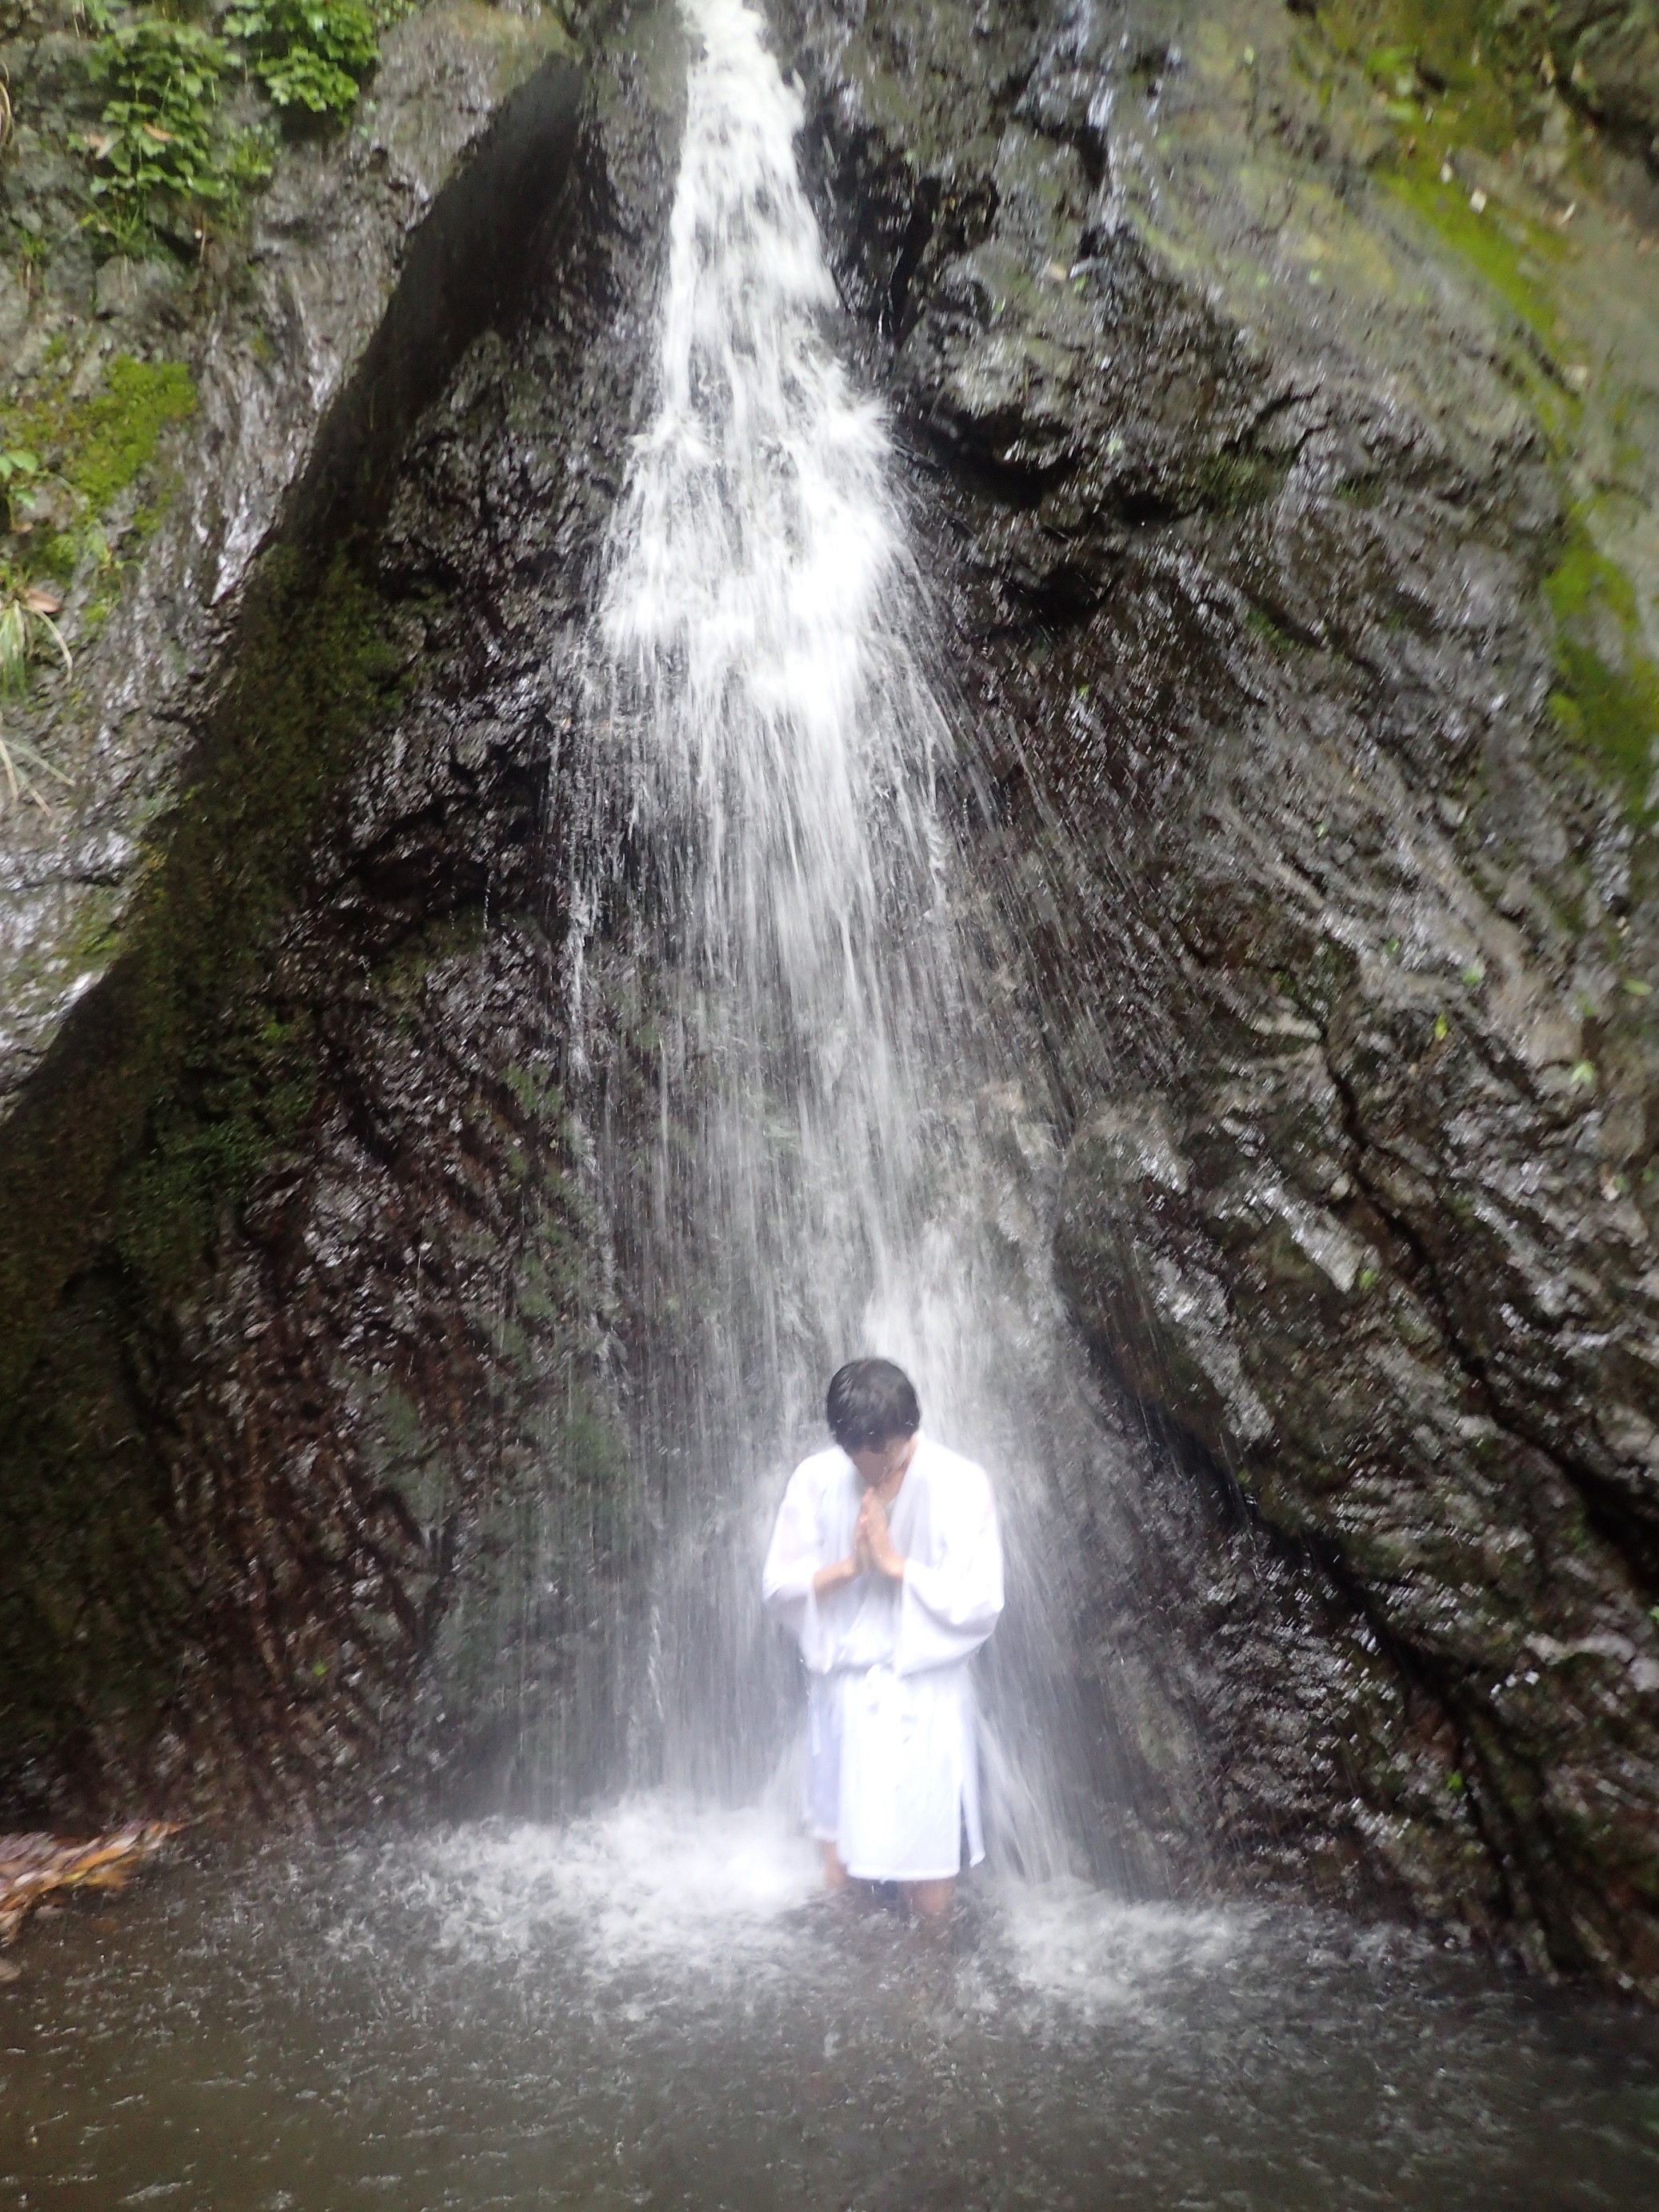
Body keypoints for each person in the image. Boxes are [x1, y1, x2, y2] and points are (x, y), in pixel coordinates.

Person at [762, 1358, 1004, 1918]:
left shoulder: (962, 1482)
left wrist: (898, 1567)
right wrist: (851, 1567)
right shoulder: (815, 1478)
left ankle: (927, 1984)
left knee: (927, 1877)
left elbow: (983, 1601)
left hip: (924, 1699)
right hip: (841, 1694)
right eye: (856, 1452)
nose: (872, 1465)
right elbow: (778, 1585)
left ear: (907, 1432)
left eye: (884, 1452)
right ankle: (853, 1985)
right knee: (840, 1870)